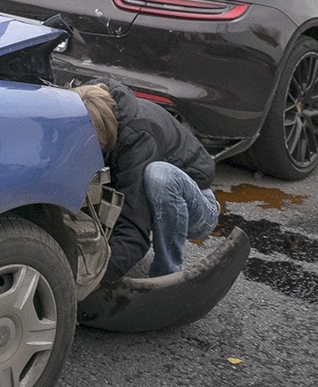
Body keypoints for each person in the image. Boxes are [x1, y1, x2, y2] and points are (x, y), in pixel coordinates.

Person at [72, 79, 220, 283]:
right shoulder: (97, 109)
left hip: (198, 208)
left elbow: (134, 227)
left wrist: (102, 277)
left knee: (158, 176)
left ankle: (167, 275)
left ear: (104, 135)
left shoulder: (139, 139)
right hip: (158, 195)